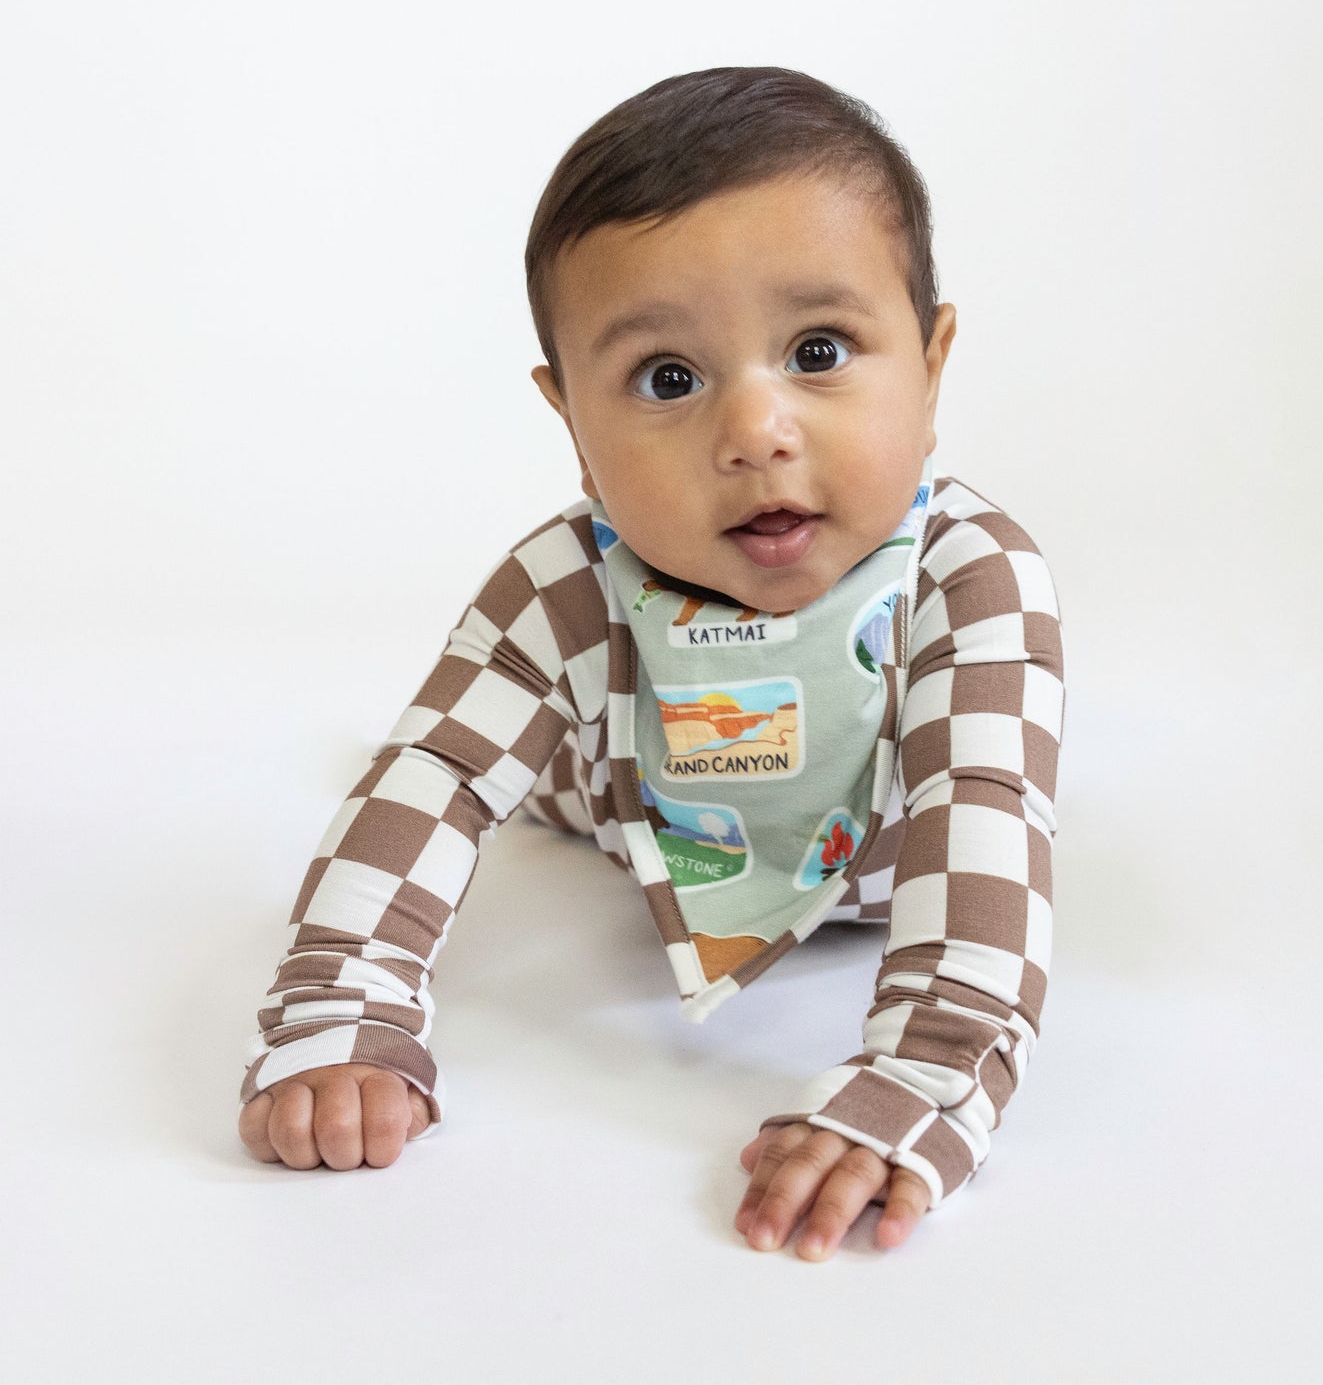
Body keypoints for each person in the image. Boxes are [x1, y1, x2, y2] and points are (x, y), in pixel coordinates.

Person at [237, 66, 1067, 1263]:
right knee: (493, 757)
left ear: (929, 371)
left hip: (897, 837)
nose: (755, 434)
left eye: (818, 350)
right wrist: (341, 1013)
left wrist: (922, 1079)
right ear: (573, 423)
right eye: (667, 379)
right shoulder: (567, 587)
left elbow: (979, 801)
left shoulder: (967, 574)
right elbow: (437, 777)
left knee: (993, 768)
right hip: (619, 796)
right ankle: (528, 764)